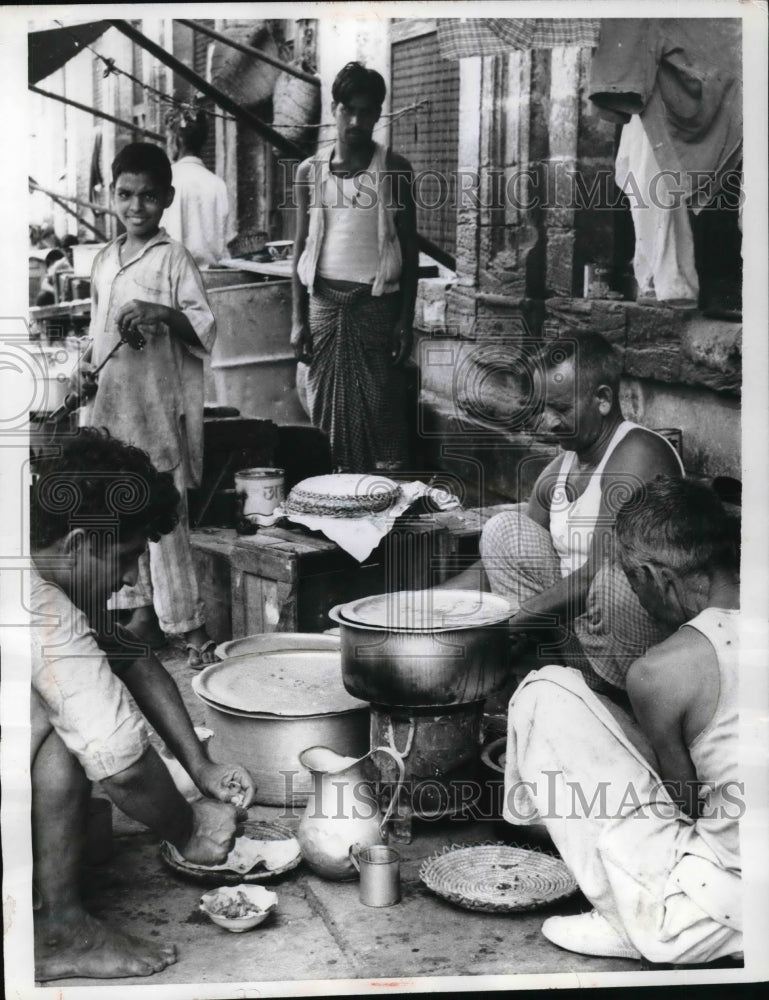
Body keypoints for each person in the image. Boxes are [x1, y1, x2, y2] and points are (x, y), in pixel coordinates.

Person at [30, 428, 256, 981]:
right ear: (80, 543)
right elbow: (124, 769)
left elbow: (130, 655)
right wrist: (190, 830)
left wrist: (200, 766)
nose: (132, 578)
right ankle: (61, 932)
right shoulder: (42, 612)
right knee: (69, 736)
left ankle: (48, 898)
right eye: (127, 558)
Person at [503, 476, 742, 964]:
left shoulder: (661, 671)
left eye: (631, 579)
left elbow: (686, 807)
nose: (634, 593)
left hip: (719, 913)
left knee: (546, 692)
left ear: (657, 579)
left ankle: (636, 917)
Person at [448, 332, 685, 693]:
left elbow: (595, 575)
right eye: (543, 408)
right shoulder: (561, 468)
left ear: (603, 399)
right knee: (502, 531)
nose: (548, 423)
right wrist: (432, 608)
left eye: (561, 409)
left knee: (611, 583)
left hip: (635, 645)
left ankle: (594, 695)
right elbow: (497, 561)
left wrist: (503, 626)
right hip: (578, 638)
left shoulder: (638, 454)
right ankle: (556, 682)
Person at [76, 142, 218, 667]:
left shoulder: (173, 258)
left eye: (149, 197)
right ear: (111, 195)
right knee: (119, 511)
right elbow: (97, 333)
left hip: (156, 408)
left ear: (167, 198)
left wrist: (162, 311)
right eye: (126, 195)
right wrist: (85, 367)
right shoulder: (104, 259)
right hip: (113, 408)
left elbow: (205, 325)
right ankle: (140, 614)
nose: (136, 207)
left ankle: (191, 625)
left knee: (164, 514)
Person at [291, 61, 418, 473]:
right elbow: (300, 248)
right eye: (349, 109)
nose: (357, 120)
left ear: (379, 115)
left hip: (376, 309)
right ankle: (329, 493)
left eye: (367, 111)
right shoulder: (309, 172)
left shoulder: (395, 169)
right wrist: (298, 319)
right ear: (333, 108)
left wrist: (405, 320)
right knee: (323, 408)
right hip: (324, 308)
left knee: (381, 407)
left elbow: (410, 251)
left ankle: (376, 502)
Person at [163, 109, 230, 268]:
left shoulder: (166, 179)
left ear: (176, 140)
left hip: (174, 277)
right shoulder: (217, 184)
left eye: (168, 138)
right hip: (212, 280)